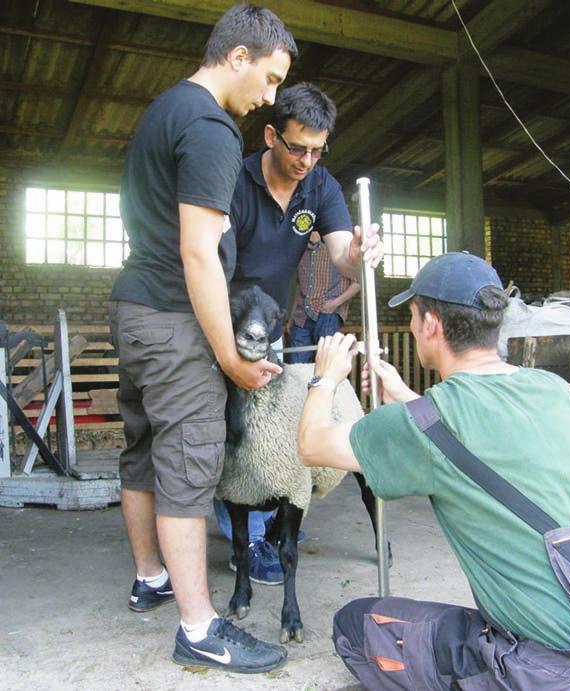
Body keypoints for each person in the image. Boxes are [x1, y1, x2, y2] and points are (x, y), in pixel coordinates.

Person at [297, 251, 570, 689]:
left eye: (412, 315)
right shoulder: (554, 389)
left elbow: (311, 446)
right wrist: (410, 400)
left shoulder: (431, 423)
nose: (412, 326)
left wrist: (325, 377)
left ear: (431, 324)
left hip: (551, 673)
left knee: (355, 625)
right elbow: (485, 438)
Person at [109, 5, 298, 674]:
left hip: (132, 307)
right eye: (270, 78)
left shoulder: (164, 110)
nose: (269, 97)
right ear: (238, 56)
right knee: (190, 464)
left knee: (142, 451)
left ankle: (150, 576)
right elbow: (198, 253)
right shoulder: (213, 129)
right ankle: (199, 627)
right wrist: (228, 355)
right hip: (172, 319)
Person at [212, 81, 382, 585]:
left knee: (272, 428)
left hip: (274, 325)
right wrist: (224, 346)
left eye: (317, 148)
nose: (307, 159)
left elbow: (340, 255)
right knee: (231, 430)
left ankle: (269, 525)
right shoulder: (234, 182)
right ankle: (243, 541)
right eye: (297, 147)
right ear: (270, 135)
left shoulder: (321, 187)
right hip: (227, 320)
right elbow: (208, 266)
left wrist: (360, 252)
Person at [288, 230, 360, 364]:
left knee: (326, 364)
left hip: (328, 314)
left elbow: (358, 282)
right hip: (301, 315)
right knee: (297, 366)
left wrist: (335, 303)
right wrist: (292, 315)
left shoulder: (336, 251)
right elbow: (300, 286)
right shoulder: (300, 252)